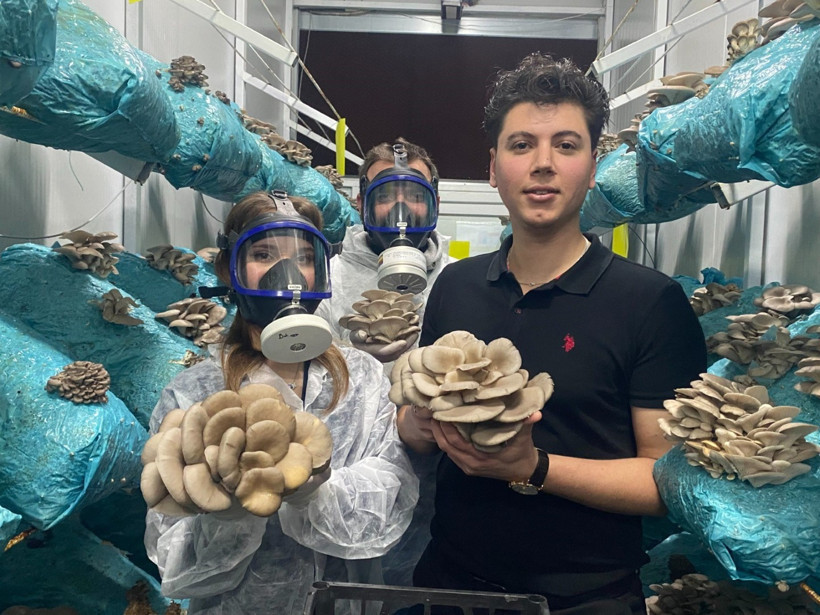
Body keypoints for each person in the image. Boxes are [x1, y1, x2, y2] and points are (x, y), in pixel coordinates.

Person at [396, 53, 707, 614]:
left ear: (593, 167)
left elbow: (665, 482)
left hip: (585, 597)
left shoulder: (650, 302)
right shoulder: (455, 286)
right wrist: (419, 421)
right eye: (522, 145)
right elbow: (411, 427)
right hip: (449, 584)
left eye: (566, 145)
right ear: (494, 169)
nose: (543, 164)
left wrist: (532, 467)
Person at [144, 191, 419, 614]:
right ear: (229, 269)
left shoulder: (362, 377)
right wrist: (228, 514)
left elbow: (391, 495)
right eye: (263, 254)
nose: (287, 274)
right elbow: (174, 558)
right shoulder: (193, 394)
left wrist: (316, 493)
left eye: (304, 258)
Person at [315, 137, 453, 365]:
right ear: (362, 204)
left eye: (416, 196)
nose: (400, 209)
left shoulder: (457, 277)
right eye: (384, 196)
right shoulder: (327, 279)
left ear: (435, 204)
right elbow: (311, 372)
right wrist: (355, 357)